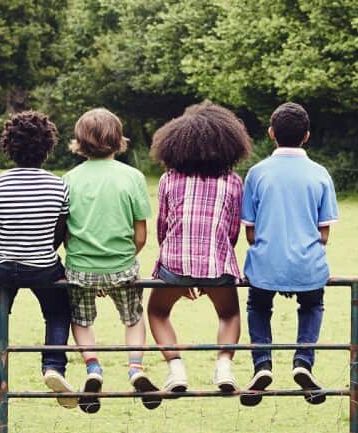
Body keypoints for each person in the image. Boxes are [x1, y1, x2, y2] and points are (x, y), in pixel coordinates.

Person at [0, 111, 76, 413]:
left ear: (8, 146)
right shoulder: (59, 186)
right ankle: (54, 366)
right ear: (48, 146)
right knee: (57, 313)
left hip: (1, 264)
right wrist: (40, 249)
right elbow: (59, 231)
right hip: (43, 264)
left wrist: (4, 252)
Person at [146, 103, 252, 396]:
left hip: (174, 264)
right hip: (217, 264)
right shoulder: (233, 182)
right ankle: (224, 367)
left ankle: (176, 369)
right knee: (229, 314)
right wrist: (208, 269)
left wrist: (181, 274)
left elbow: (163, 226)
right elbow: (232, 232)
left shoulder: (169, 179)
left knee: (157, 311)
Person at [240, 102, 338, 407]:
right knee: (312, 304)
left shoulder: (256, 173)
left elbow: (250, 232)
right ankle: (303, 361)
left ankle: (263, 364)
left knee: (258, 304)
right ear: (307, 136)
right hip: (308, 265)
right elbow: (324, 234)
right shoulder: (320, 174)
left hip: (265, 265)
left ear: (271, 134)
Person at [62, 108, 158, 412]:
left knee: (81, 319)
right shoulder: (132, 177)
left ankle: (93, 367)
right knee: (133, 318)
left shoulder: (69, 180)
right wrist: (122, 260)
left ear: (79, 141)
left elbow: (63, 232)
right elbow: (141, 234)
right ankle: (135, 368)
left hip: (80, 267)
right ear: (118, 139)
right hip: (122, 266)